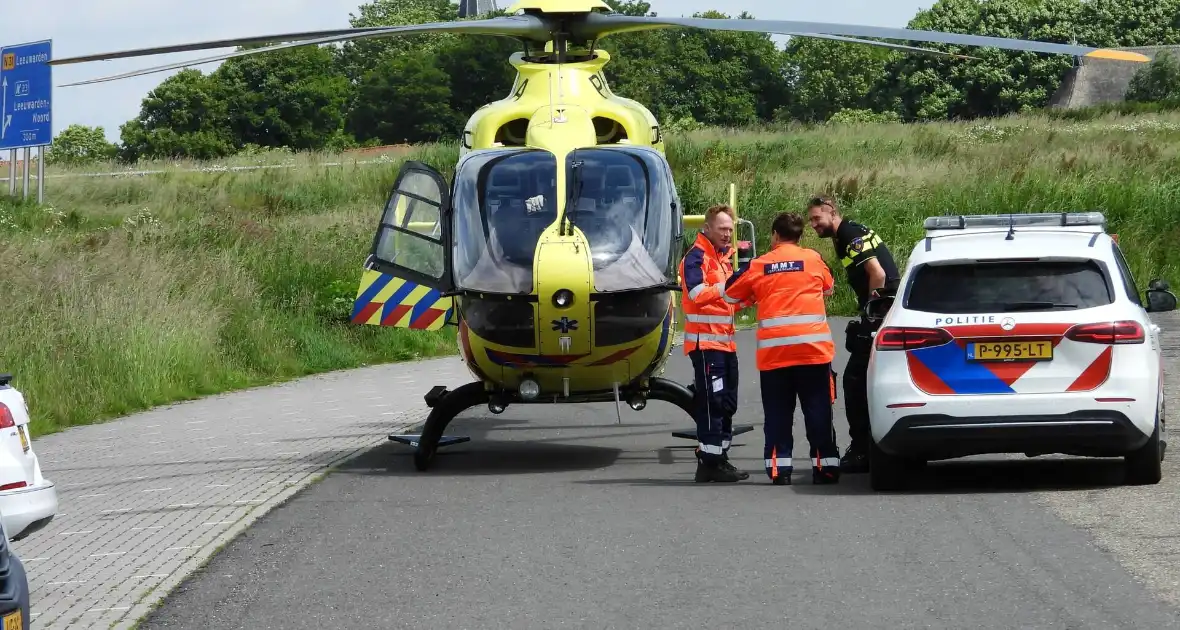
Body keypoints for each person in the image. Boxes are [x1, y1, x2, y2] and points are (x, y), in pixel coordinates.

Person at [720, 212, 841, 485]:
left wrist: (757, 293)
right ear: (799, 236)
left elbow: (730, 294)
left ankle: (779, 469)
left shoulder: (760, 265)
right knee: (818, 411)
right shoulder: (812, 259)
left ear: (775, 235)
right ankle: (826, 468)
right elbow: (829, 287)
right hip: (813, 352)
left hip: (776, 357)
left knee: (778, 415)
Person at [806, 195, 900, 473]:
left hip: (881, 311)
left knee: (854, 381)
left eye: (816, 218)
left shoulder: (847, 233)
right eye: (810, 220)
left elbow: (878, 274)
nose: (813, 225)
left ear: (831, 212)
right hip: (886, 310)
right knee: (867, 378)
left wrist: (871, 313)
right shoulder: (850, 231)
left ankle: (862, 450)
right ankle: (871, 445)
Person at [678, 203, 750, 483]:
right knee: (713, 403)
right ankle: (710, 462)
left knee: (727, 403)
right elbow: (697, 293)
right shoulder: (696, 257)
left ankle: (719, 459)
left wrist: (748, 297)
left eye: (730, 230)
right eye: (722, 229)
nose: (727, 234)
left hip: (725, 345)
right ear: (706, 228)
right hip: (706, 346)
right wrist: (730, 286)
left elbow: (724, 301)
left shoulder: (721, 258)